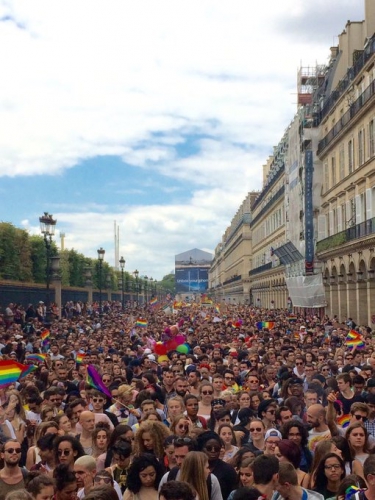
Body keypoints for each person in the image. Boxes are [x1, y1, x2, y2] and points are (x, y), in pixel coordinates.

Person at [197, 431, 237, 500]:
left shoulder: (228, 470)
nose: (213, 451)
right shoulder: (195, 468)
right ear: (201, 449)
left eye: (217, 448)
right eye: (209, 448)